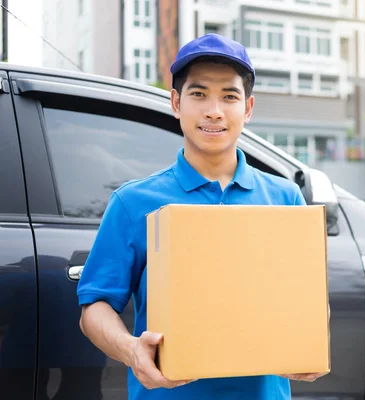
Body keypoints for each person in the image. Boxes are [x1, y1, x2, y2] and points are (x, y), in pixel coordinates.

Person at [77, 33, 328, 400]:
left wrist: (312, 344)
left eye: (229, 96)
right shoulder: (133, 202)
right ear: (176, 102)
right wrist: (132, 350)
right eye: (198, 94)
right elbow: (94, 307)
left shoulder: (284, 198)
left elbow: (310, 304)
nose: (214, 110)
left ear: (248, 108)